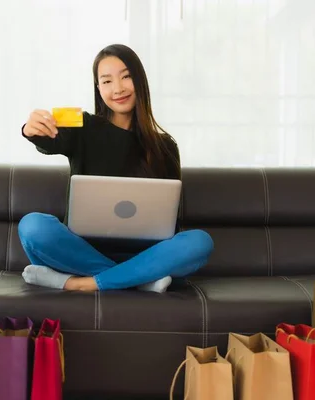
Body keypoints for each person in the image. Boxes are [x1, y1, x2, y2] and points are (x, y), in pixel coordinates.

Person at [18, 44, 213, 293]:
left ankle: (83, 282)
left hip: (147, 254)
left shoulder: (165, 147)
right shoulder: (83, 125)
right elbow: (48, 138)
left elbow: (170, 224)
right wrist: (31, 129)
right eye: (107, 81)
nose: (118, 88)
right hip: (82, 251)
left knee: (199, 242)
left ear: (139, 80)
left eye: (126, 76)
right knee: (33, 226)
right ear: (98, 89)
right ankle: (139, 280)